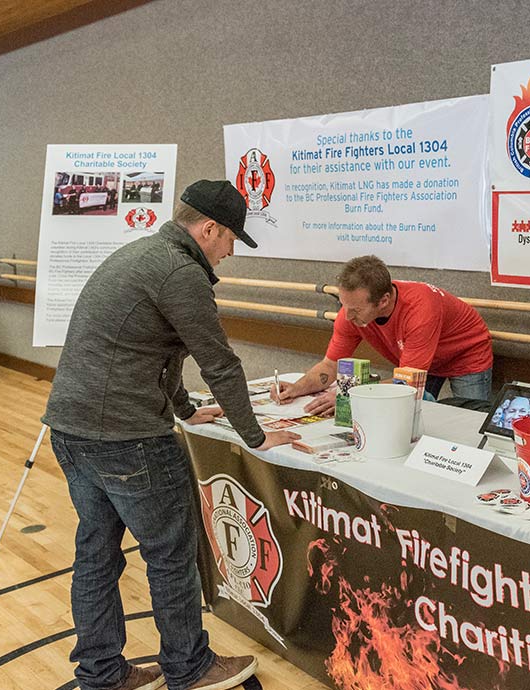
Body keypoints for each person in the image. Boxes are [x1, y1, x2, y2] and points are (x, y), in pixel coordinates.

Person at [43, 179, 299, 690]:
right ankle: (190, 668)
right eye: (230, 240)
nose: (230, 252)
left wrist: (183, 408)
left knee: (96, 552)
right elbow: (217, 361)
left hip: (70, 429)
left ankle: (102, 675)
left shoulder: (139, 255)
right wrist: (255, 436)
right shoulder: (182, 272)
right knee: (170, 554)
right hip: (127, 437)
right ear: (208, 229)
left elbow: (153, 349)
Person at [276, 255, 493, 414]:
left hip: (465, 354)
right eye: (344, 305)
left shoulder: (420, 310)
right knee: (411, 415)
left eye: (356, 310)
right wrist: (298, 387)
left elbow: (408, 382)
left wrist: (349, 394)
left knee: (471, 421)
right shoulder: (350, 312)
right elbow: (329, 365)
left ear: (383, 301)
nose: (347, 316)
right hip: (420, 359)